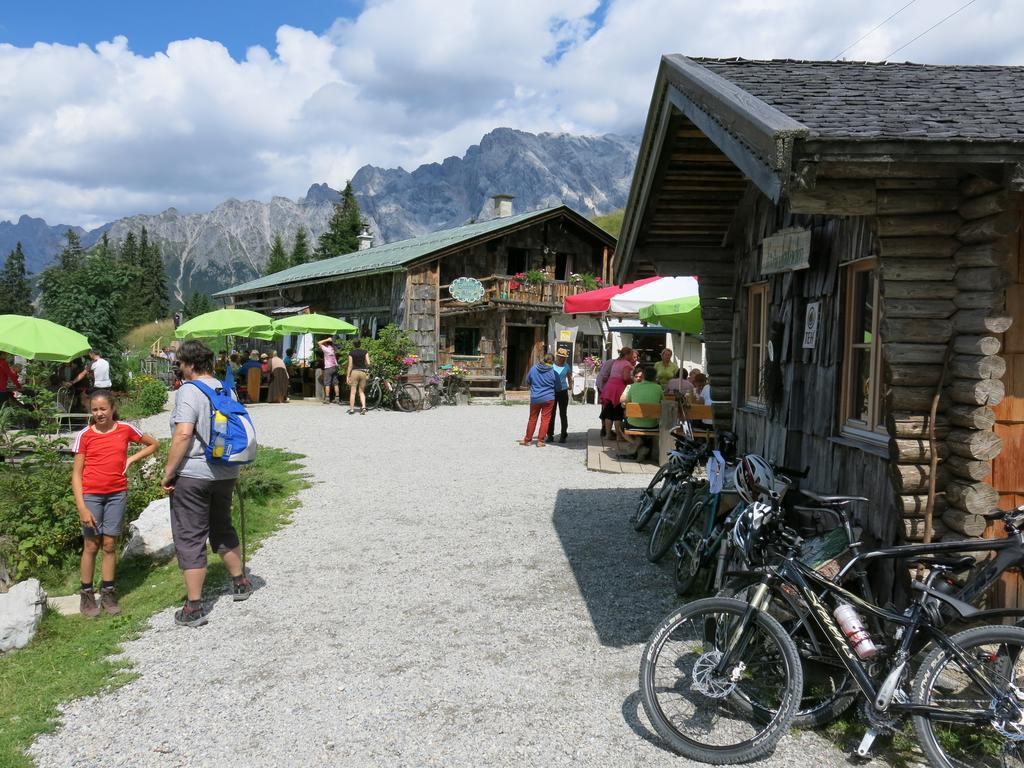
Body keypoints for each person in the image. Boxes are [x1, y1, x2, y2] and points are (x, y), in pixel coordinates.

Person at [161, 340, 253, 627]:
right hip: (226, 471)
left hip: (194, 475)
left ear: (188, 364)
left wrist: (168, 472)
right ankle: (240, 582)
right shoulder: (225, 387)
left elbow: (183, 434)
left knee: (190, 536)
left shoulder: (189, 390)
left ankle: (194, 607)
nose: (179, 368)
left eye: (179, 363)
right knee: (222, 526)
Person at [72, 391, 159, 617]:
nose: (99, 414)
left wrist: (130, 459)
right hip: (91, 496)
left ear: (112, 408)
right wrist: (82, 507)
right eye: (94, 410)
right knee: (91, 545)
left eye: (103, 409)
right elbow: (76, 475)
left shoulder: (125, 429)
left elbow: (153, 444)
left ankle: (108, 593)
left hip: (116, 495)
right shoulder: (85, 435)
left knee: (110, 544)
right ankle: (87, 594)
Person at [620, 366, 663, 461]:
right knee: (650, 426)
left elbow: (627, 402)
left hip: (633, 424)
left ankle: (637, 443)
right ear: (655, 377)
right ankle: (642, 446)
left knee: (621, 425)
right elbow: (663, 403)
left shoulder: (633, 386)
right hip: (652, 424)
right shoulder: (658, 388)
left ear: (643, 376)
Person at [599, 347, 635, 441]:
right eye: (631, 354)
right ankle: (619, 436)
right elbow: (626, 378)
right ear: (627, 355)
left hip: (609, 387)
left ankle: (608, 435)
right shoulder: (627, 364)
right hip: (618, 389)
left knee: (609, 412)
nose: (632, 356)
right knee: (618, 414)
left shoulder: (616, 362)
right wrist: (633, 381)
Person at [521, 353, 557, 447]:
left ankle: (527, 440)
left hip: (535, 397)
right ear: (552, 361)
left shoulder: (534, 368)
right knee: (545, 420)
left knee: (532, 419)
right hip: (549, 398)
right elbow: (556, 384)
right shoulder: (553, 371)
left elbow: (528, 381)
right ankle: (540, 441)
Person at [545, 349, 574, 444]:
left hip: (563, 391)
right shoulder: (551, 365)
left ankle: (563, 434)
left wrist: (570, 386)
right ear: (557, 356)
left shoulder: (566, 366)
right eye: (560, 357)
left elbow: (569, 377)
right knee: (551, 414)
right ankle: (550, 435)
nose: (562, 358)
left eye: (564, 357)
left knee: (563, 414)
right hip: (552, 391)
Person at [346, 339, 372, 414]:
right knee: (361, 391)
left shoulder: (351, 353)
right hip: (363, 372)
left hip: (354, 372)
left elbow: (350, 365)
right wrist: (366, 367)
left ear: (353, 345)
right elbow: (368, 363)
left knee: (353, 392)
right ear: (360, 344)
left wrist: (348, 376)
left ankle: (351, 409)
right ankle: (363, 407)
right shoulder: (365, 352)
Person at [318, 337, 339, 404]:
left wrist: (327, 339)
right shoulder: (334, 349)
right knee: (335, 383)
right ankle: (337, 398)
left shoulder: (327, 349)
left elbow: (319, 343)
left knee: (327, 383)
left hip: (328, 367)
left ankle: (327, 398)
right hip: (335, 367)